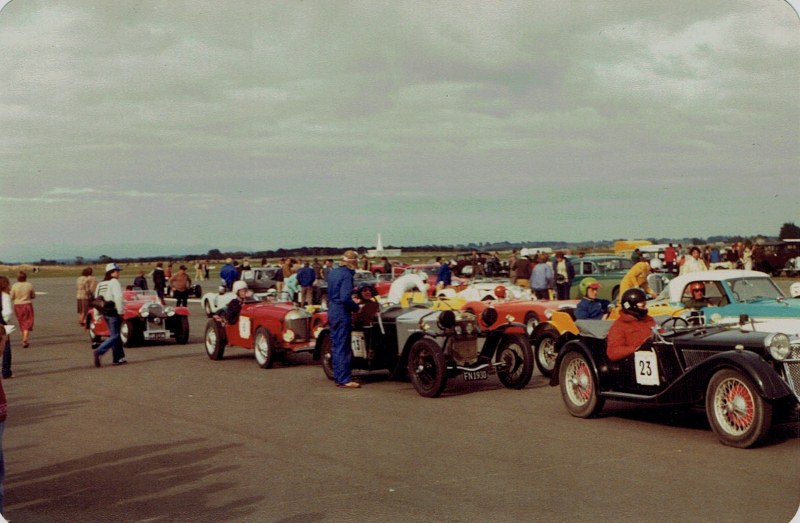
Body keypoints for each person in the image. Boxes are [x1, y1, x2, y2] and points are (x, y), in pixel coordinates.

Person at [327, 250, 361, 389]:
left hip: (332, 310)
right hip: (341, 311)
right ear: (352, 262)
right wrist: (356, 307)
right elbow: (345, 297)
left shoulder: (333, 272)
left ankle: (338, 375)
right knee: (343, 346)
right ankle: (344, 379)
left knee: (336, 345)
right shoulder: (346, 275)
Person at [606, 288, 656, 362]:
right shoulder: (619, 326)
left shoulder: (648, 319)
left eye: (645, 304)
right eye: (642, 305)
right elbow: (613, 352)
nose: (645, 307)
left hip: (655, 354)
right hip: (635, 360)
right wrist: (637, 348)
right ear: (631, 306)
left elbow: (659, 334)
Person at [93, 263, 126, 367]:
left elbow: (97, 300)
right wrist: (120, 311)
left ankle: (118, 358)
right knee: (115, 335)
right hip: (113, 312)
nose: (118, 273)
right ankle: (99, 351)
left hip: (104, 312)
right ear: (111, 272)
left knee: (114, 335)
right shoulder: (114, 282)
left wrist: (96, 314)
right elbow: (118, 297)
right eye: (117, 271)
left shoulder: (101, 284)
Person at [10, 271, 35, 348]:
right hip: (27, 304)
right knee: (28, 321)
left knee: (21, 322)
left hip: (17, 305)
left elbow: (12, 297)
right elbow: (33, 295)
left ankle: (24, 337)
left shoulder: (14, 286)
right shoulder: (29, 285)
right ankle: (25, 338)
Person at [0, 278, 13, 380]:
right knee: (6, 348)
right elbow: (7, 312)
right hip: (1, 323)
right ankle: (6, 371)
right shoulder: (4, 296)